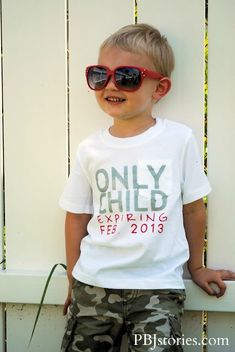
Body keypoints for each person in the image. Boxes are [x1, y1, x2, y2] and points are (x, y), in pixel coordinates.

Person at [59, 23, 235, 352]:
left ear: (159, 88)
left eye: (126, 76)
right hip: (93, 285)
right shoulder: (90, 149)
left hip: (158, 289)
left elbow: (194, 208)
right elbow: (76, 216)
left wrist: (195, 267)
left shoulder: (178, 140)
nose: (111, 84)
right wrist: (73, 278)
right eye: (101, 75)